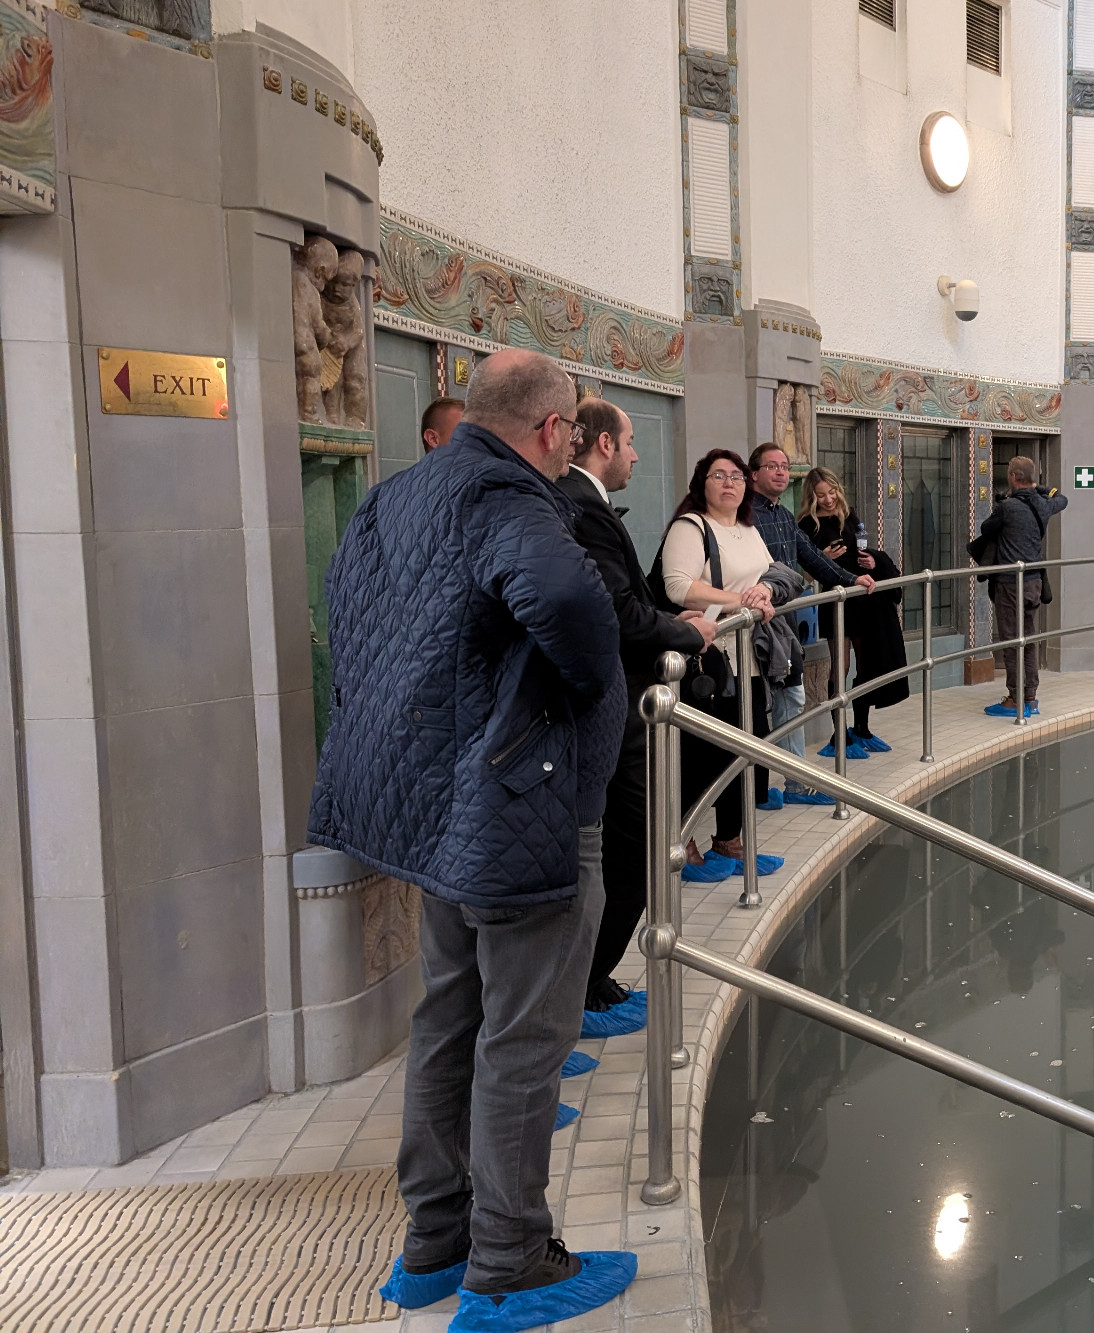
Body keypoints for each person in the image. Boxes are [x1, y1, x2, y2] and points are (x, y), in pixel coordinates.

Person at [307, 349, 636, 1329]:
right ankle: (509, 1257)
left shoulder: (395, 497)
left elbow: (350, 617)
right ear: (552, 430)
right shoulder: (507, 496)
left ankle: (434, 1240)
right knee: (525, 1037)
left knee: (448, 1016)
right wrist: (585, 691)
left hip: (440, 809)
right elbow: (570, 607)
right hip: (519, 806)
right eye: (569, 434)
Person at [559, 397, 714, 1037]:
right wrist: (687, 633)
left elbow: (626, 600)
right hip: (615, 709)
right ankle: (582, 989)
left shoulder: (581, 502)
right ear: (603, 444)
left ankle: (593, 980)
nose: (637, 455)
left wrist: (673, 622)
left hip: (615, 706)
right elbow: (619, 613)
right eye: (630, 443)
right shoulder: (582, 507)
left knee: (634, 848)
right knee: (638, 848)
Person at [658, 448, 781, 878]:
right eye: (718, 475)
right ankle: (680, 840)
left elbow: (769, 571)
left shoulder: (747, 527)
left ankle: (729, 840)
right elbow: (678, 587)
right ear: (701, 483)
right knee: (704, 754)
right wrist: (740, 602)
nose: (729, 483)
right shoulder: (691, 527)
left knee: (749, 748)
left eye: (737, 476)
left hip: (749, 656)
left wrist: (764, 592)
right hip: (709, 659)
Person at [746, 443, 875, 802]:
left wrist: (851, 579)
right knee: (759, 707)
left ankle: (793, 784)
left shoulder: (783, 516)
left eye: (784, 466)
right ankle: (760, 791)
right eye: (772, 466)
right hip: (754, 623)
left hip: (783, 626)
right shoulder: (745, 516)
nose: (780, 472)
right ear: (753, 474)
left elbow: (813, 559)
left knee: (789, 698)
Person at [798, 468, 908, 752]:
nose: (828, 499)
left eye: (832, 492)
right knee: (841, 667)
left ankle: (861, 727)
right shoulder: (807, 525)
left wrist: (872, 560)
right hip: (835, 600)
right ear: (812, 496)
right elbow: (805, 575)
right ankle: (840, 734)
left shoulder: (849, 515)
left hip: (862, 600)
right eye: (821, 495)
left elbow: (862, 549)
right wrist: (822, 557)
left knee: (866, 664)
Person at [973, 455, 1067, 717]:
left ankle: (1015, 698)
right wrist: (1038, 488)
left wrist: (1009, 498)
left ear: (1013, 477)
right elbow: (1062, 498)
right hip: (1034, 582)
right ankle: (1031, 699)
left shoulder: (1008, 507)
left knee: (1013, 641)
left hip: (1010, 584)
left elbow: (986, 528)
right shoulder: (1044, 505)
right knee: (1029, 638)